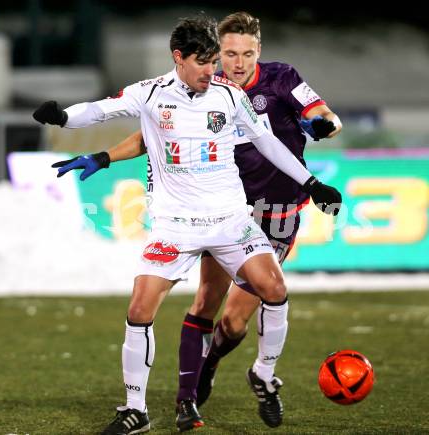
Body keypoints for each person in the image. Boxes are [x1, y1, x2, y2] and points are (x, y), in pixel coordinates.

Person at [33, 14, 342, 434]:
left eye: (217, 61)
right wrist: (65, 117)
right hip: (175, 225)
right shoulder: (150, 93)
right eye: (205, 62)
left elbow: (266, 141)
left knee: (274, 289)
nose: (212, 71)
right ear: (178, 58)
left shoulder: (230, 96)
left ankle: (265, 374)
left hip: (232, 220)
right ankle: (135, 410)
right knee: (139, 309)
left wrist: (312, 182)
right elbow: (102, 109)